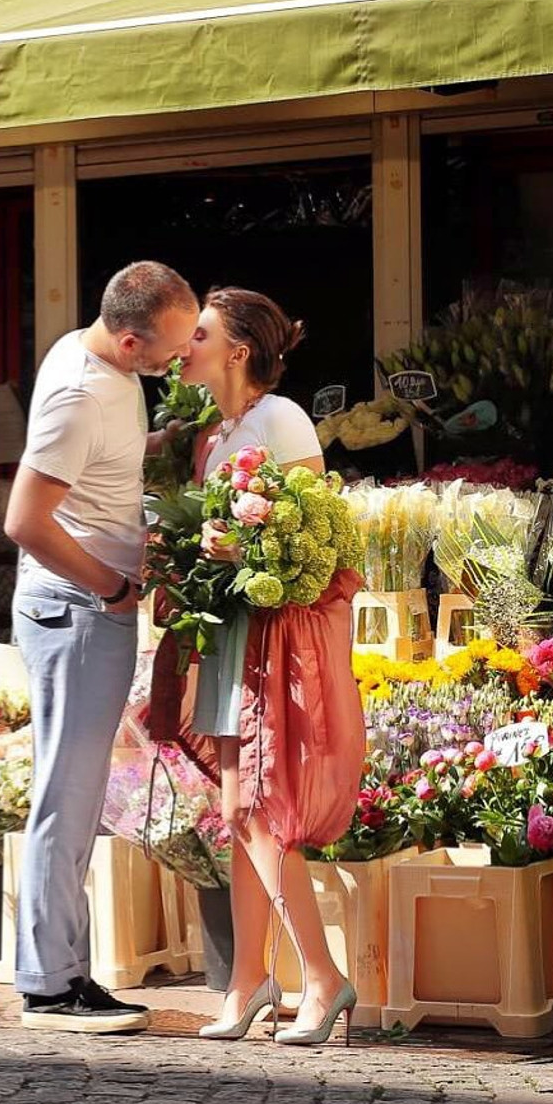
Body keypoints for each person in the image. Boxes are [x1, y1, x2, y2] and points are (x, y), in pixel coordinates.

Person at [4, 260, 199, 1034]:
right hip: (77, 613)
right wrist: (113, 588)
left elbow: (98, 463)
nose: (178, 363)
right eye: (168, 352)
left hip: (85, 611)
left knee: (75, 795)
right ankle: (50, 987)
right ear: (127, 339)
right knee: (69, 795)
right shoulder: (78, 395)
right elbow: (24, 520)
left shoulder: (94, 362)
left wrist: (161, 442)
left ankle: (59, 971)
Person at [175, 287, 366, 1046]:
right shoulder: (216, 433)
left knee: (260, 806)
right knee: (238, 813)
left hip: (273, 636)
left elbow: (316, 532)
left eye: (198, 334)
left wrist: (237, 548)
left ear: (238, 350)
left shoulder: (279, 419)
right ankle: (248, 981)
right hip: (231, 633)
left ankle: (321, 976)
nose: (183, 346)